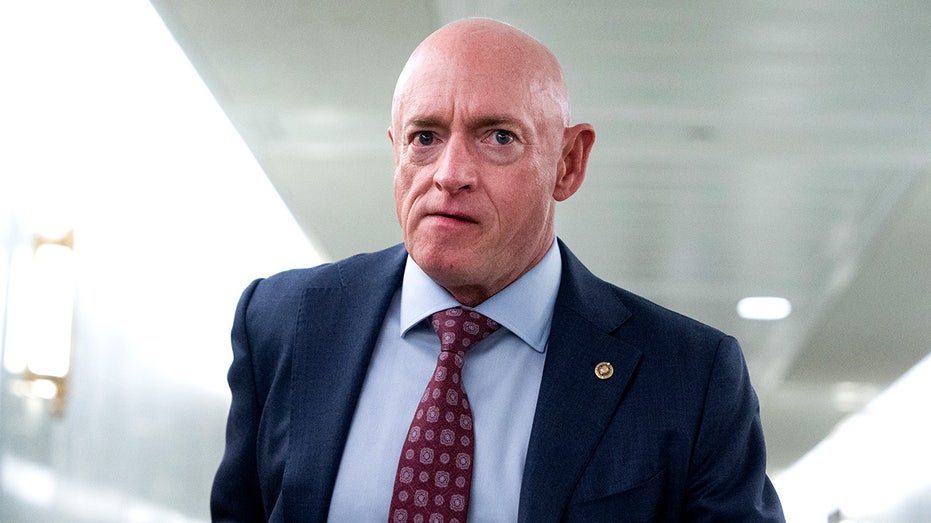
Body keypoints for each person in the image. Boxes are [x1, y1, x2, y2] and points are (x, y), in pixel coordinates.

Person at [210, 17, 785, 522]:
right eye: (424, 137)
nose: (449, 174)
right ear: (395, 151)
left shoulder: (688, 377)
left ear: (568, 163)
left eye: (499, 137)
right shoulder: (283, 324)